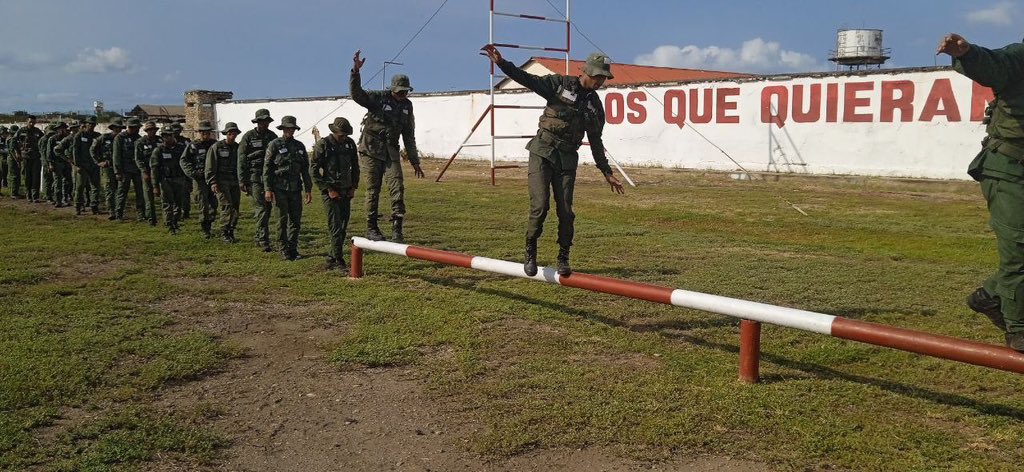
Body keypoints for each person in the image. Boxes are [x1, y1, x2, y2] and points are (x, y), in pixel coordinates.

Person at [481, 45, 625, 277]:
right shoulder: (560, 84)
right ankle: (530, 250)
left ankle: (563, 256)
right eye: (598, 76)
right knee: (540, 206)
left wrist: (606, 171)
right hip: (542, 152)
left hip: (567, 159)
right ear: (586, 71)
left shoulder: (594, 106)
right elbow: (527, 78)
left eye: (604, 78)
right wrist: (502, 63)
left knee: (566, 211)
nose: (601, 81)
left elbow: (596, 141)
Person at [939, 33, 1024, 352]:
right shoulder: (1020, 57)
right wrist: (968, 53)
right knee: (1020, 245)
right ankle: (1019, 328)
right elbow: (994, 65)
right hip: (1009, 168)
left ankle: (990, 296)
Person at [350, 50, 424, 243]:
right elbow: (357, 95)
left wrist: (414, 161)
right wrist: (355, 73)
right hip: (371, 150)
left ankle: (397, 227)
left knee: (397, 186)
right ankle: (371, 227)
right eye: (399, 91)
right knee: (373, 189)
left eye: (405, 91)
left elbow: (409, 135)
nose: (402, 94)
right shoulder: (378, 98)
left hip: (391, 150)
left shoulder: (407, 106)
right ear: (392, 89)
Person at [311, 117, 360, 273]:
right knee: (335, 226)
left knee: (343, 226)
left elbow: (355, 167)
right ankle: (338, 259)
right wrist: (328, 189)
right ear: (334, 132)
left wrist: (353, 186)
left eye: (345, 134)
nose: (343, 137)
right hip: (331, 192)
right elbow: (313, 170)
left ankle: (332, 257)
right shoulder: (323, 145)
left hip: (346, 190)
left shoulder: (350, 144)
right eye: (341, 135)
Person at [263, 115, 312, 260]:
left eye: (292, 128)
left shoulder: (300, 146)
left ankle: (293, 248)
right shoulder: (274, 145)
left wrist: (308, 189)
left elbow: (305, 169)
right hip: (279, 188)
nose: (290, 131)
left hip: (296, 188)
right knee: (282, 220)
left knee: (295, 221)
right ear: (283, 129)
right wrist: (268, 188)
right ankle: (283, 249)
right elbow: (267, 168)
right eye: (287, 128)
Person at [239, 109, 278, 252]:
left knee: (267, 210)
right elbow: (241, 159)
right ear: (257, 122)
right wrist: (242, 180)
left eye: (267, 122)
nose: (265, 124)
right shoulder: (248, 137)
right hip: (255, 178)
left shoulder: (272, 136)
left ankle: (259, 235)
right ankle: (263, 239)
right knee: (261, 209)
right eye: (262, 122)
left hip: (270, 178)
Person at [180, 120, 218, 238]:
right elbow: (184, 160)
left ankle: (209, 222)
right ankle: (205, 228)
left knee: (214, 203)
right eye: (203, 133)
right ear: (199, 133)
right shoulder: (193, 145)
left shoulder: (215, 144)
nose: (205, 135)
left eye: (207, 132)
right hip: (199, 179)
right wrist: (193, 173)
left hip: (212, 178)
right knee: (203, 203)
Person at [206, 122, 242, 243]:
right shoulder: (217, 147)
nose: (232, 135)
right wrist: (213, 182)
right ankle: (224, 231)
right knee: (227, 205)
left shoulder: (238, 148)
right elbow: (210, 165)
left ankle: (231, 229)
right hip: (221, 181)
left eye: (234, 133)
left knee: (235, 206)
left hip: (234, 181)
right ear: (226, 134)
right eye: (230, 133)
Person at [150, 124, 189, 234]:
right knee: (167, 203)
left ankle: (175, 222)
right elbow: (154, 169)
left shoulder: (181, 149)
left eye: (170, 135)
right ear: (162, 137)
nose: (168, 138)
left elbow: (186, 164)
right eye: (165, 136)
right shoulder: (158, 150)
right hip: (165, 180)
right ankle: (169, 225)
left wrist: (188, 181)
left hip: (179, 179)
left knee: (178, 203)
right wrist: (155, 186)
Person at [92, 118, 125, 219]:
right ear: (113, 128)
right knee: (110, 189)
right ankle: (111, 211)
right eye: (116, 128)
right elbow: (93, 149)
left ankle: (119, 210)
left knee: (120, 189)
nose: (118, 130)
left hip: (121, 167)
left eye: (120, 128)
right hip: (108, 167)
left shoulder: (124, 139)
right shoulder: (104, 138)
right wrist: (98, 162)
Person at [113, 118, 145, 221]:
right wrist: (118, 171)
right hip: (125, 170)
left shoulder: (139, 138)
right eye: (136, 128)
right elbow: (116, 156)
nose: (138, 129)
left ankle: (141, 214)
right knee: (122, 193)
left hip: (137, 170)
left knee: (140, 193)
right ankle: (119, 214)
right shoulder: (120, 138)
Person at [72, 116, 102, 215]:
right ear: (86, 124)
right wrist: (77, 165)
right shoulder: (79, 135)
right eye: (90, 124)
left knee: (95, 187)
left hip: (94, 165)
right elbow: (75, 152)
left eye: (93, 124)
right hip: (82, 165)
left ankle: (94, 206)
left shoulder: (97, 136)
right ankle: (78, 206)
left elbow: (100, 150)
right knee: (80, 187)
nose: (91, 126)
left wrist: (99, 161)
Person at [134, 121, 161, 225]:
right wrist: (143, 171)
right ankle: (151, 219)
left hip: (160, 172)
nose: (152, 132)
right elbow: (138, 159)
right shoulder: (140, 142)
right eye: (150, 130)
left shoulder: (160, 140)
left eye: (154, 130)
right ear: (147, 131)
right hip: (147, 172)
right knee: (149, 196)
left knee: (164, 195)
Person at [15, 116, 44, 201]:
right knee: (27, 176)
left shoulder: (37, 131)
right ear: (27, 122)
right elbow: (13, 141)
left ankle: (35, 196)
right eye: (30, 122)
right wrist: (17, 152)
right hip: (25, 157)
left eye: (34, 122)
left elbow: (43, 140)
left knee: (36, 177)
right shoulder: (21, 131)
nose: (32, 124)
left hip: (36, 157)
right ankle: (28, 195)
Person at [38, 123, 57, 204]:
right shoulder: (44, 140)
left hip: (53, 161)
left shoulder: (53, 139)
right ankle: (48, 196)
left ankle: (52, 195)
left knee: (53, 180)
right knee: (48, 180)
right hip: (47, 162)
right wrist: (48, 163)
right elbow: (43, 153)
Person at [6, 124, 20, 198]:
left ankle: (14, 191)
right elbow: (12, 150)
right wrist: (17, 160)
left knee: (13, 175)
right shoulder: (12, 139)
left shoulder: (9, 138)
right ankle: (14, 193)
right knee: (14, 175)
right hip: (12, 158)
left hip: (11, 158)